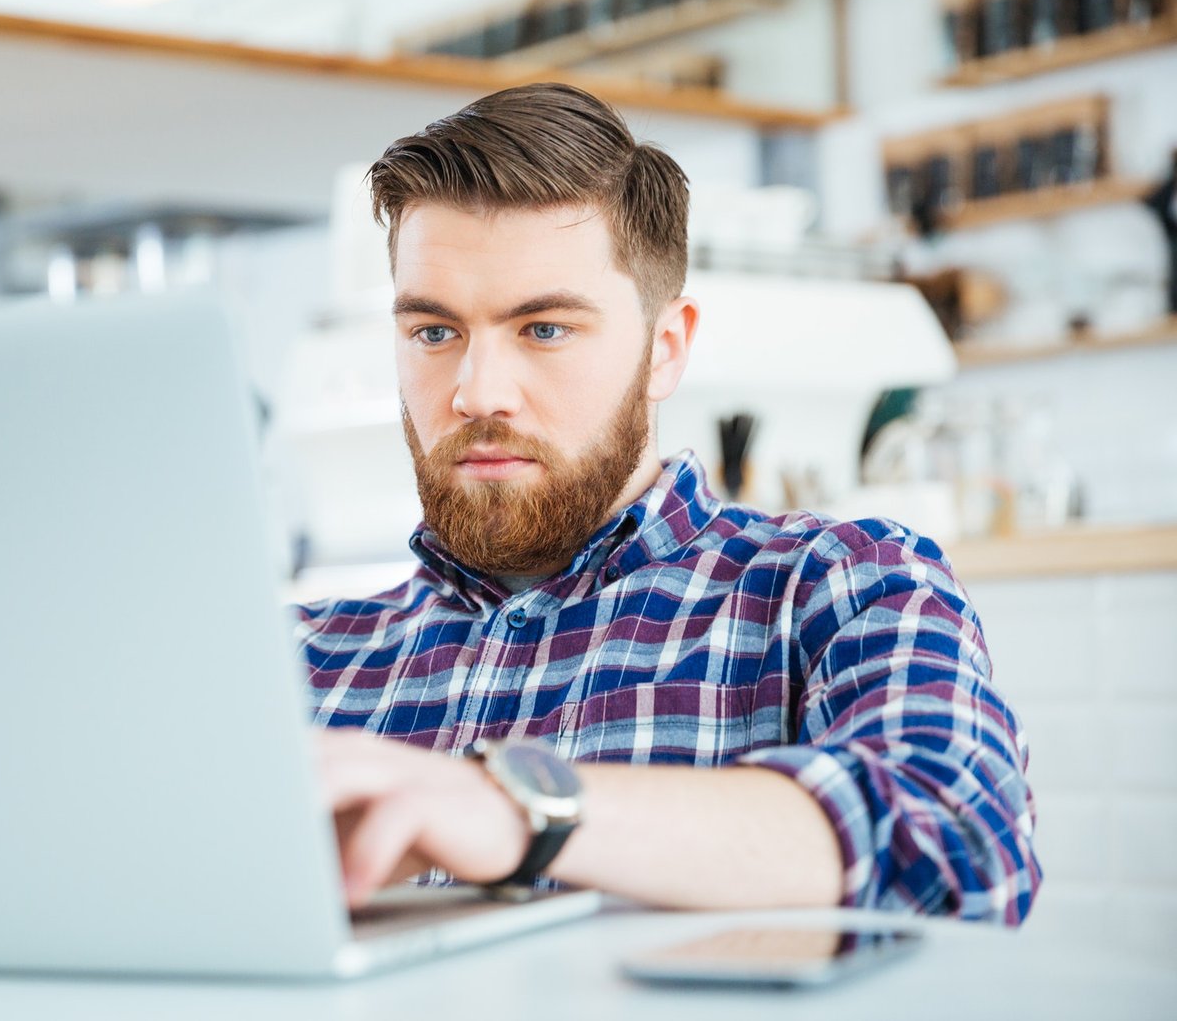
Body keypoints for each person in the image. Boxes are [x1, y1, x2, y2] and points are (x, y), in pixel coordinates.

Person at [297, 83, 1040, 925]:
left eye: (544, 329)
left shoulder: (840, 587)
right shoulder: (299, 665)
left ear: (666, 349)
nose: (477, 393)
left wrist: (513, 806)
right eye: (434, 333)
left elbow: (962, 852)